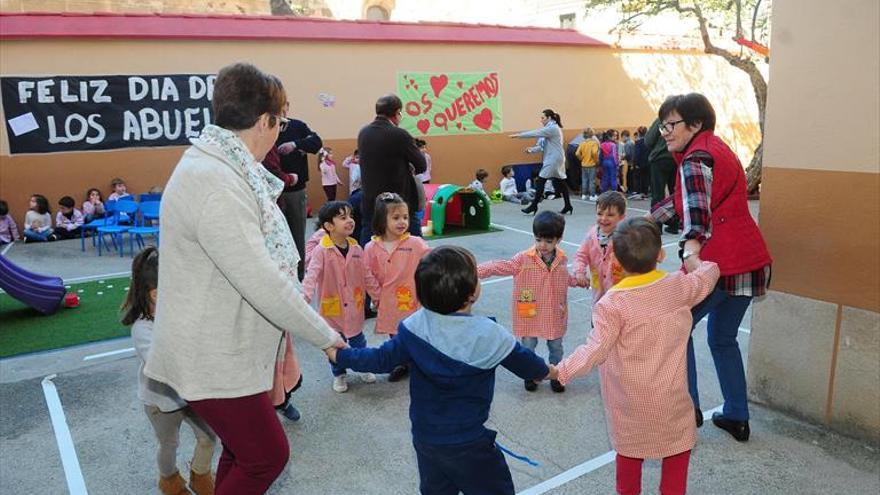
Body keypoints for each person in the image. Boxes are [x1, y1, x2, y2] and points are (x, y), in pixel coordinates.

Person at [143, 62, 344, 494]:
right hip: (212, 355)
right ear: (264, 122)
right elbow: (262, 278)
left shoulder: (222, 165)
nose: (280, 131)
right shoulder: (217, 181)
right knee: (267, 456)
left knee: (241, 451)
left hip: (227, 350)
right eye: (281, 122)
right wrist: (325, 336)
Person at [327, 246, 556, 495]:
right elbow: (529, 366)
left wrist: (341, 355)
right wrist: (550, 371)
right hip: (470, 443)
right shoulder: (490, 336)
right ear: (471, 294)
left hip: (426, 438)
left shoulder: (415, 328)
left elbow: (379, 359)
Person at [556, 217, 720, 495]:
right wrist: (692, 256)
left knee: (630, 459)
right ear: (661, 254)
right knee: (676, 456)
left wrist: (560, 370)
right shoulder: (677, 287)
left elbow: (594, 350)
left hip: (629, 404)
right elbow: (710, 272)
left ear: (616, 261)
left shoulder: (612, 304)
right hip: (672, 400)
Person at [650, 93, 773, 441]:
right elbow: (686, 200)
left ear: (695, 124)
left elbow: (697, 212)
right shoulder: (718, 148)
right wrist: (648, 219)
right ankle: (737, 415)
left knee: (676, 330)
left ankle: (686, 414)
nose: (665, 132)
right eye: (663, 125)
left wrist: (691, 250)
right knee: (722, 338)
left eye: (671, 125)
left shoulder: (693, 159)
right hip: (750, 261)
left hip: (715, 264)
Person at [124, 247, 217, 495]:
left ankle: (200, 474)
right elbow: (162, 364)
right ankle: (170, 481)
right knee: (169, 444)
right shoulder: (142, 328)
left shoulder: (179, 313)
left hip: (190, 394)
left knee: (209, 437)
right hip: (160, 400)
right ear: (155, 294)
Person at [477, 211, 581, 393]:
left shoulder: (562, 259)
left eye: (549, 241)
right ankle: (531, 374)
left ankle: (558, 374)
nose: (543, 245)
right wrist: (476, 270)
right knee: (528, 347)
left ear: (559, 239)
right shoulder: (523, 259)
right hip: (530, 311)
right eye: (539, 240)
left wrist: (577, 281)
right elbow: (499, 266)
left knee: (556, 346)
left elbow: (564, 278)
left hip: (553, 311)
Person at [302, 201, 380, 393]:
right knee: (335, 344)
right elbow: (311, 276)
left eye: (351, 216)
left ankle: (362, 366)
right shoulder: (322, 250)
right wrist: (303, 298)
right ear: (329, 226)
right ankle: (339, 374)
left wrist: (377, 296)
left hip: (354, 306)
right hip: (332, 309)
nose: (350, 221)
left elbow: (367, 275)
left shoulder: (356, 249)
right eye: (343, 217)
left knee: (358, 341)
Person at [363, 193, 431, 382]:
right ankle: (401, 362)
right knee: (395, 333)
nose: (402, 222)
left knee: (416, 331)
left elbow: (432, 260)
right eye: (395, 218)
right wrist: (378, 296)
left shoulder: (415, 243)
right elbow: (367, 274)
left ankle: (419, 362)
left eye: (405, 217)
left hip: (413, 299)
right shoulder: (371, 247)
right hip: (389, 302)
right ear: (381, 219)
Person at [358, 94, 427, 243]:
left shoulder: (364, 133)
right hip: (397, 200)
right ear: (397, 112)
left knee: (371, 242)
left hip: (371, 200)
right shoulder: (399, 134)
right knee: (414, 245)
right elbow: (421, 165)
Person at [275, 101, 323, 280]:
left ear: (287, 106)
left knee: (297, 235)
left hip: (295, 190)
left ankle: (300, 275)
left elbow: (316, 142)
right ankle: (280, 276)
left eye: (283, 105)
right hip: (273, 191)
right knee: (277, 236)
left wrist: (296, 144)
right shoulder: (265, 126)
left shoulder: (297, 126)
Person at [513, 109, 573, 215]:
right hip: (555, 158)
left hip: (554, 159)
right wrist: (531, 150)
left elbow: (536, 132)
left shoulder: (553, 128)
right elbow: (541, 146)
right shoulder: (549, 129)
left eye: (543, 118)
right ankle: (568, 205)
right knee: (561, 182)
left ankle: (534, 205)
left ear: (549, 118)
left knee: (541, 180)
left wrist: (519, 135)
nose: (541, 120)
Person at [572, 191, 627, 306]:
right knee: (598, 319)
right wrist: (579, 272)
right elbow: (580, 255)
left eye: (610, 215)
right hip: (599, 293)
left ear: (622, 217)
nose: (604, 218)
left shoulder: (626, 237)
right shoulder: (591, 236)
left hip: (621, 292)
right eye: (600, 213)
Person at [645, 118, 680, 234]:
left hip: (659, 159)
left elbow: (648, 140)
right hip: (676, 158)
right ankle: (675, 224)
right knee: (675, 193)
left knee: (657, 193)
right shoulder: (682, 117)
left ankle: (656, 225)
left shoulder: (661, 119)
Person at [342, 150, 364, 243]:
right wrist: (350, 158)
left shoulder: (361, 166)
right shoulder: (352, 164)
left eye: (360, 157)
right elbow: (344, 164)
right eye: (356, 157)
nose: (358, 159)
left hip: (359, 189)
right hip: (354, 190)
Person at [575, 128, 600, 200]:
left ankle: (584, 194)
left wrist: (581, 158)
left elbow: (577, 153)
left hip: (583, 164)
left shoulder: (582, 143)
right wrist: (596, 160)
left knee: (584, 180)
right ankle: (592, 195)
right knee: (592, 180)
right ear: (592, 134)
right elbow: (594, 153)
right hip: (592, 164)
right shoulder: (594, 143)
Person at [632, 126, 650, 199]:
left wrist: (636, 163)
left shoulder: (638, 142)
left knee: (640, 178)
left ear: (639, 133)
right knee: (646, 178)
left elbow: (637, 153)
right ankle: (645, 192)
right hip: (648, 162)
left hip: (640, 162)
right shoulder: (649, 142)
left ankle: (640, 192)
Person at [620, 130, 635, 194]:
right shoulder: (632, 141)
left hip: (630, 162)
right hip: (633, 162)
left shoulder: (627, 144)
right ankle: (632, 189)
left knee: (629, 177)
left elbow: (628, 154)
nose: (622, 139)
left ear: (624, 136)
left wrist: (622, 157)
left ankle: (630, 190)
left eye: (622, 137)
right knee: (632, 177)